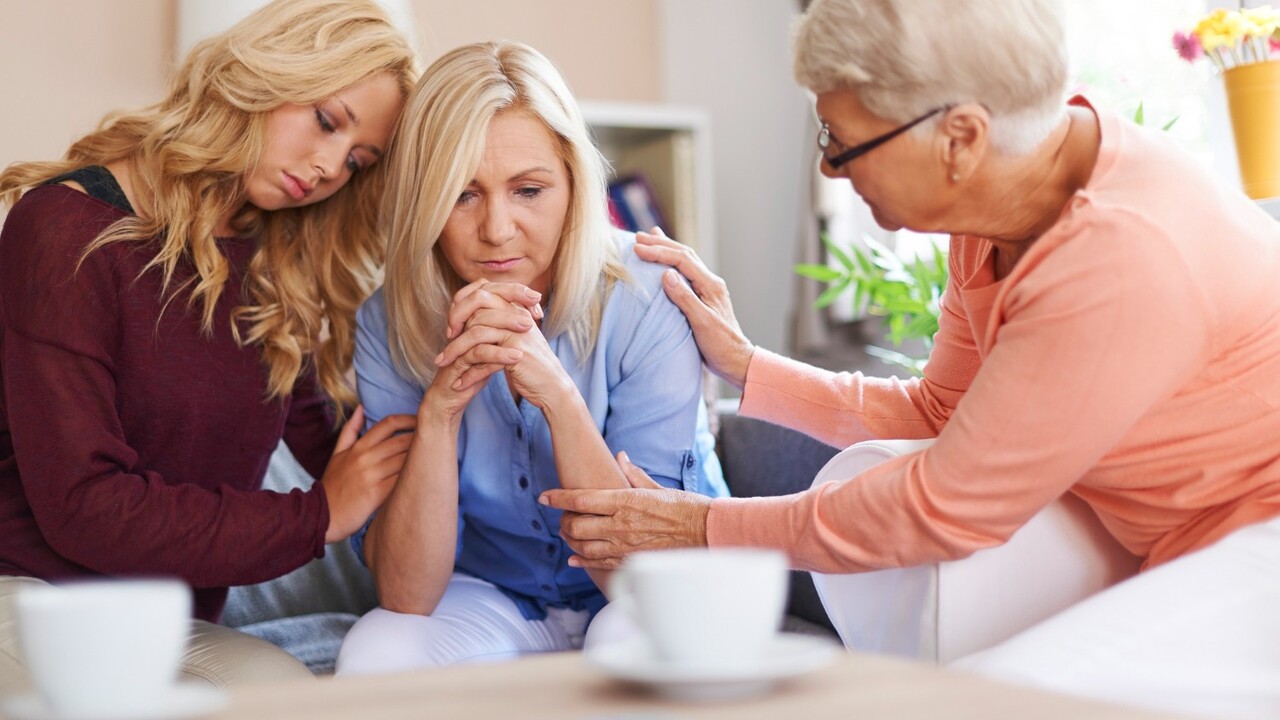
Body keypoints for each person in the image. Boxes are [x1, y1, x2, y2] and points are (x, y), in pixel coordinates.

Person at [542, 0, 1280, 717]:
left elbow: (941, 507)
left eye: (842, 139)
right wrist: (746, 364)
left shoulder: (1119, 257)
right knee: (871, 494)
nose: (829, 168)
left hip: (1262, 540)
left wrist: (702, 526)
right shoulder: (1001, 205)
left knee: (996, 698)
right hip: (1172, 533)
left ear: (960, 139)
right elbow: (941, 413)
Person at [0, 0, 420, 689]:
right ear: (265, 75)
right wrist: (317, 515)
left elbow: (343, 446)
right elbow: (85, 508)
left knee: (284, 696)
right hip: (29, 597)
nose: (327, 168)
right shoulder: (62, 228)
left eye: (357, 159)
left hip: (166, 620)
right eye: (325, 121)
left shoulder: (273, 265)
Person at [333, 40, 726, 674]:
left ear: (574, 183)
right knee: (378, 649)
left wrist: (559, 397)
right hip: (497, 594)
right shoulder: (389, 317)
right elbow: (406, 594)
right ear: (424, 199)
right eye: (463, 195)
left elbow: (647, 581)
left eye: (528, 190)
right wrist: (441, 412)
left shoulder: (651, 296)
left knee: (638, 643)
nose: (496, 229)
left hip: (648, 590)